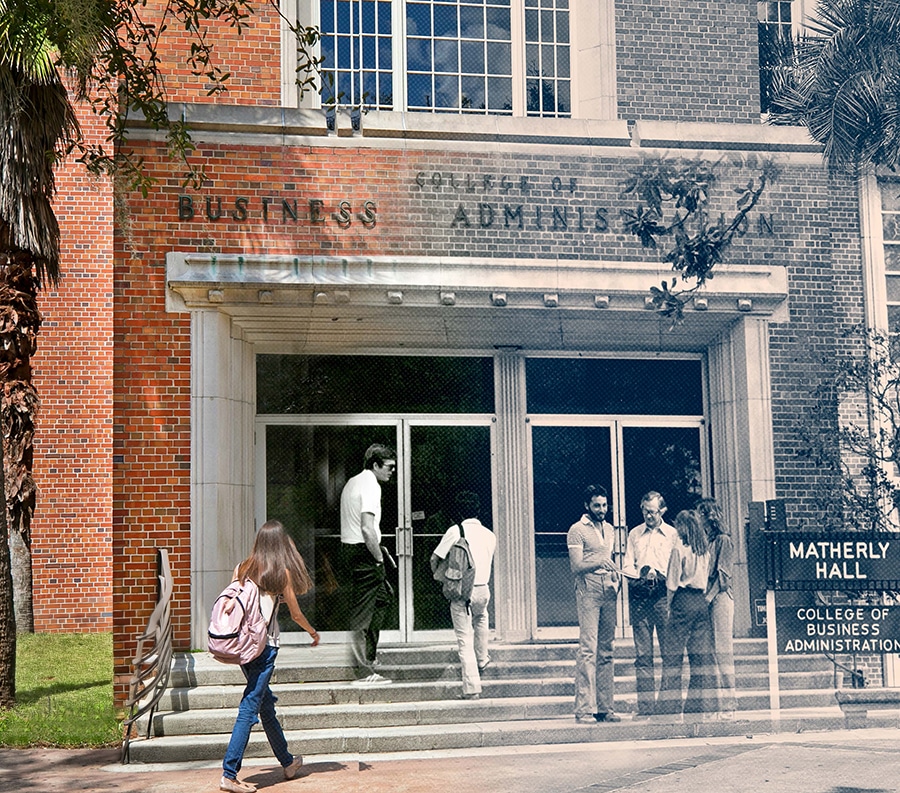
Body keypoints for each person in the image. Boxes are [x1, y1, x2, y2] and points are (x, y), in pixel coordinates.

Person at [220, 520, 318, 793]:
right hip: (265, 647)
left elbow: (234, 601)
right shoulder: (280, 573)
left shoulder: (241, 568)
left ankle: (287, 762)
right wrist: (312, 632)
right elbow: (296, 614)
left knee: (265, 705)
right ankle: (229, 774)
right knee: (250, 706)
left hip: (243, 646)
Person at [430, 491, 496, 700]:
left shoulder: (455, 531)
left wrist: (440, 577)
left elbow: (435, 557)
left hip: (462, 591)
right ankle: (482, 658)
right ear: (478, 510)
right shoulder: (490, 534)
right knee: (482, 619)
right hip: (483, 588)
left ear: (458, 512)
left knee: (464, 638)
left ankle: (472, 687)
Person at [340, 443, 396, 685]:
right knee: (363, 612)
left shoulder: (353, 482)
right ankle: (363, 671)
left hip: (353, 550)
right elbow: (367, 527)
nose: (392, 471)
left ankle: (369, 657)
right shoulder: (371, 485)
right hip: (364, 552)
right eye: (389, 467)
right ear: (375, 465)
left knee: (383, 598)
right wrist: (379, 558)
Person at [567, 484, 622, 724]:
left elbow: (609, 559)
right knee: (588, 649)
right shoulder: (577, 530)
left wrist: (615, 574)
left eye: (605, 505)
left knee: (607, 650)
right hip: (588, 589)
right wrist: (599, 562)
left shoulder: (609, 529)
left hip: (608, 589)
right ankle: (584, 709)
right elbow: (576, 566)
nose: (602, 509)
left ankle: (605, 707)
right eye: (597, 505)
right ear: (587, 505)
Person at [656, 509, 718, 720]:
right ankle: (697, 708)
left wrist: (669, 605)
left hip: (682, 600)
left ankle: (670, 709)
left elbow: (672, 582)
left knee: (673, 657)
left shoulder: (679, 549)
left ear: (682, 527)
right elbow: (705, 578)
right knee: (699, 658)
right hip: (700, 601)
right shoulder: (704, 550)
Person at [622, 491, 677, 719]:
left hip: (663, 595)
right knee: (643, 654)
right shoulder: (634, 534)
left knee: (668, 652)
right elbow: (627, 563)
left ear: (662, 510)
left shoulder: (672, 534)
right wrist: (637, 577)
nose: (648, 516)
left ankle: (667, 706)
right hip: (641, 596)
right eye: (645, 511)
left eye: (653, 512)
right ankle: (645, 707)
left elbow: (677, 565)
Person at [697, 497, 736, 718]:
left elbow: (724, 578)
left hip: (719, 599)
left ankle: (729, 706)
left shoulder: (723, 541)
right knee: (709, 654)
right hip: (706, 598)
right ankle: (714, 705)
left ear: (708, 516)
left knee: (723, 651)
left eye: (700, 514)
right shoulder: (705, 543)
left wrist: (708, 599)